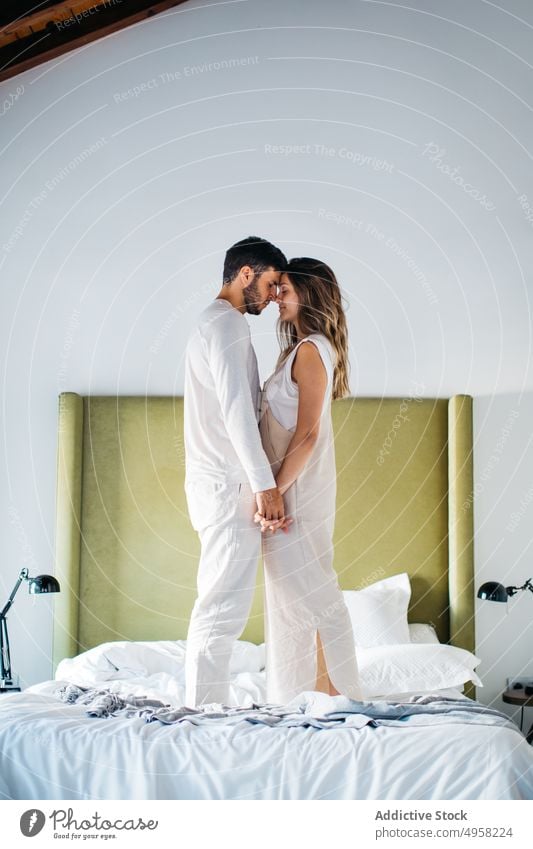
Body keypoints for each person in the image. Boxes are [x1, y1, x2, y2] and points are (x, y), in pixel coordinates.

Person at [184, 236, 289, 707]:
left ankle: (204, 704)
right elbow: (236, 414)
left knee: (221, 604)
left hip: (218, 484)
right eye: (269, 284)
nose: (271, 297)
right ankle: (202, 714)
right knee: (221, 609)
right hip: (229, 486)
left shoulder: (213, 324)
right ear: (246, 273)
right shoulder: (226, 325)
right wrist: (266, 487)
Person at [257, 257, 362, 703]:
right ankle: (307, 691)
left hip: (296, 493)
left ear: (309, 293)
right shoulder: (300, 349)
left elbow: (309, 434)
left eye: (285, 289)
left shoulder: (310, 350)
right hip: (289, 491)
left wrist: (273, 493)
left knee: (311, 589)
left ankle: (335, 691)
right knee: (293, 595)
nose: (276, 296)